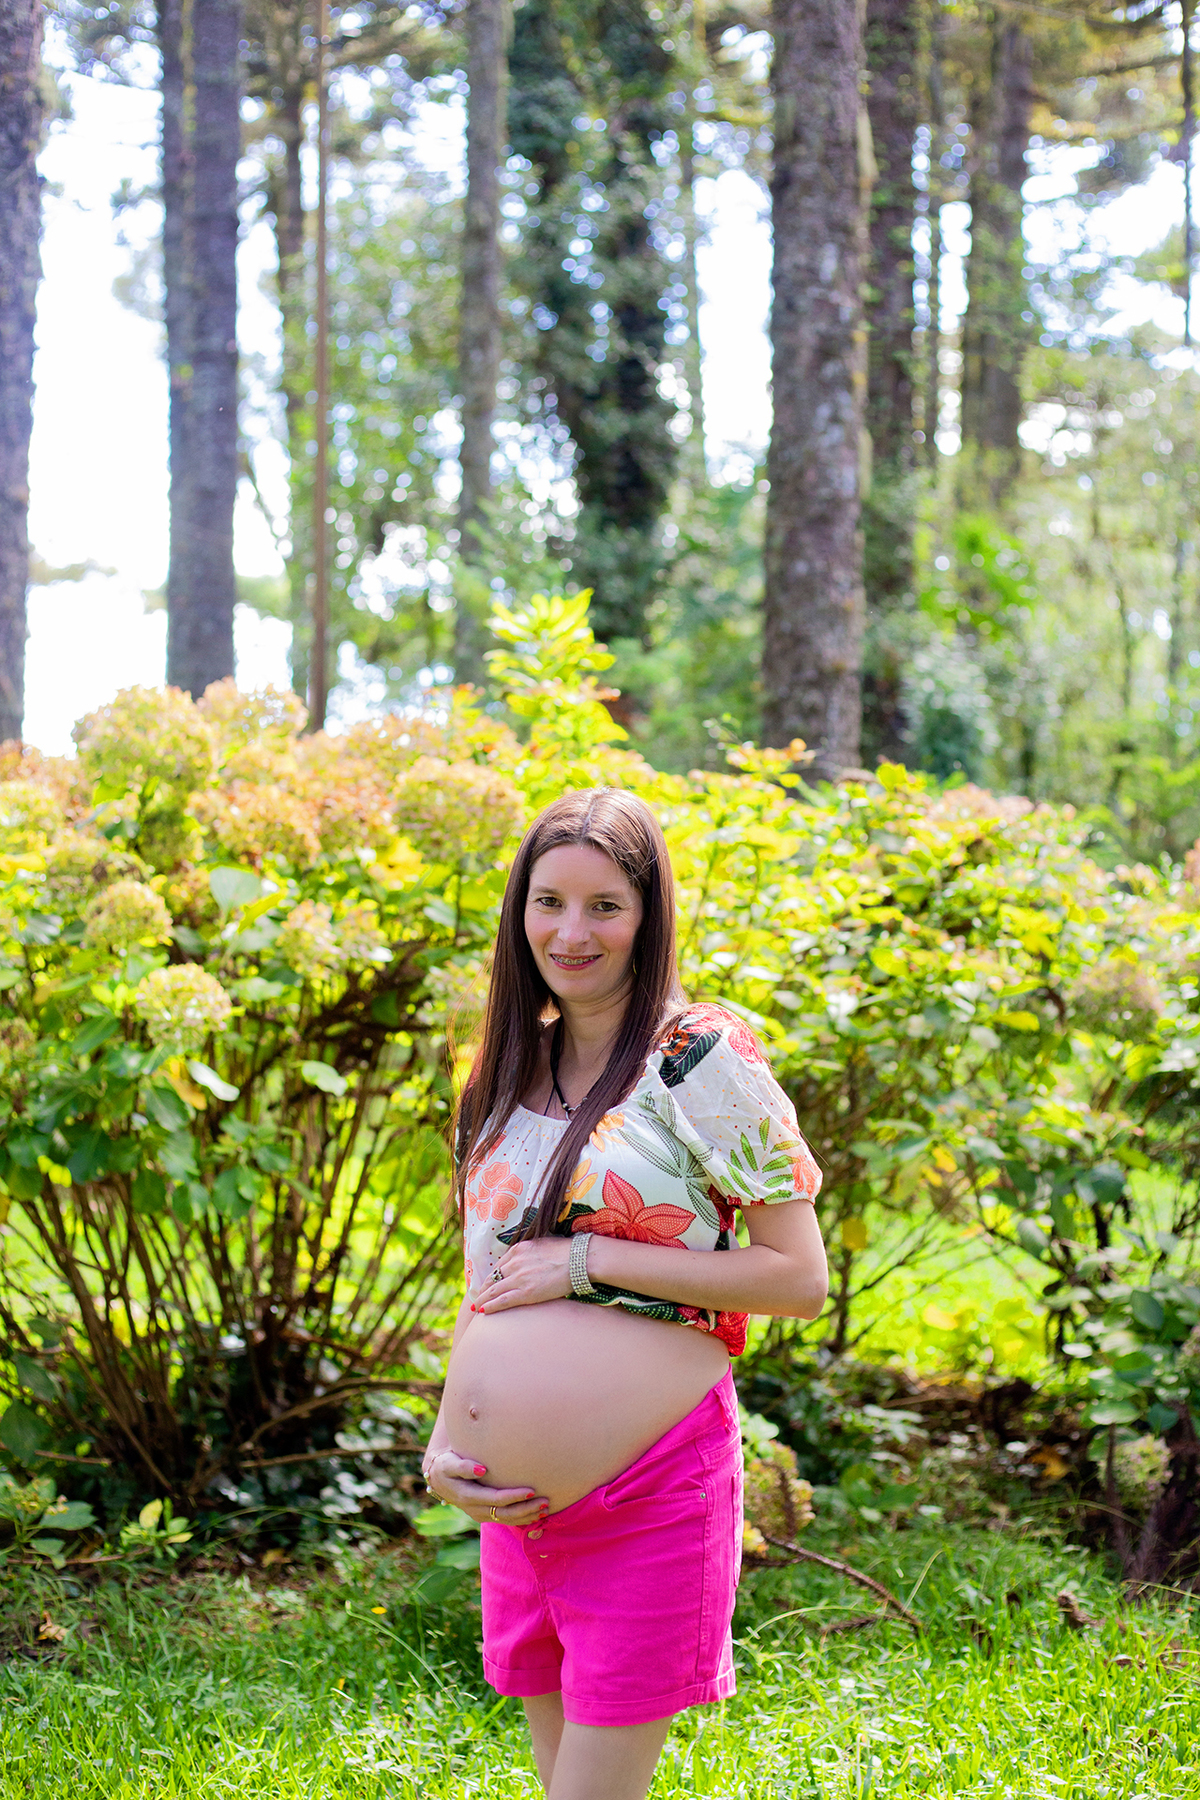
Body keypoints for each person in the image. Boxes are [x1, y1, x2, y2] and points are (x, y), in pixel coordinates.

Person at [421, 789, 827, 1800]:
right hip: (518, 1507)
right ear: (519, 912)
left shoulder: (700, 1058)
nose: (571, 932)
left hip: (653, 1485)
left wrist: (595, 1262)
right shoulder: (507, 1066)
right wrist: (445, 1439)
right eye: (549, 901)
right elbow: (488, 1284)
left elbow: (798, 1278)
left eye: (605, 905)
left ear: (649, 913)